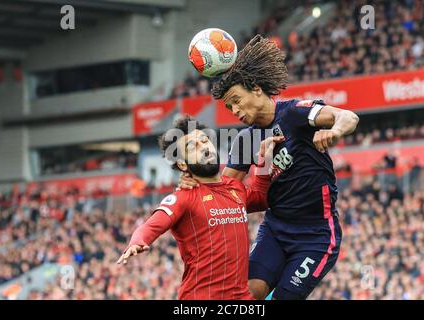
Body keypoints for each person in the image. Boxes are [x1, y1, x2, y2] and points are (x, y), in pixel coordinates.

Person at [181, 35, 359, 300]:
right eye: (229, 106)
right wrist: (193, 182)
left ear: (255, 89)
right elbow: (222, 194)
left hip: (316, 236)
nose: (234, 110)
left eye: (237, 100)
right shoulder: (246, 140)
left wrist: (334, 131)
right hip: (275, 230)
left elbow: (348, 116)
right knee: (247, 294)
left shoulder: (295, 114)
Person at [117, 115, 282, 300]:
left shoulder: (234, 187)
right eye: (192, 146)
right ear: (182, 164)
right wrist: (137, 241)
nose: (203, 146)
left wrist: (263, 161)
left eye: (204, 140)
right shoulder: (183, 196)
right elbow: (152, 224)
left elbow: (261, 199)